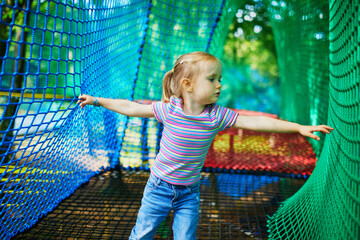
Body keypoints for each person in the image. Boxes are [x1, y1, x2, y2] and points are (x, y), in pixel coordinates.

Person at [77, 51, 333, 240]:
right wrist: (97, 100)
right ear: (187, 85)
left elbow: (255, 122)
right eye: (212, 79)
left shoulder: (217, 115)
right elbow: (131, 108)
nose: (219, 84)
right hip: (159, 187)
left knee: (186, 237)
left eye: (219, 78)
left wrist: (298, 127)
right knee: (143, 233)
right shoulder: (170, 110)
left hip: (189, 192)